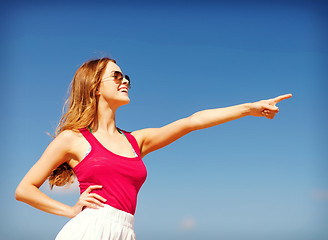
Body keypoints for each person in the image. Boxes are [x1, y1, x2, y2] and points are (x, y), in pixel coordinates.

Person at [15, 57, 292, 240]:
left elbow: (191, 122)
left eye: (126, 77)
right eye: (117, 76)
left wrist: (248, 109)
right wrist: (71, 210)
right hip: (90, 229)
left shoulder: (137, 141)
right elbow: (24, 189)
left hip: (127, 230)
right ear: (95, 87)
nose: (125, 81)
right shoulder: (73, 139)